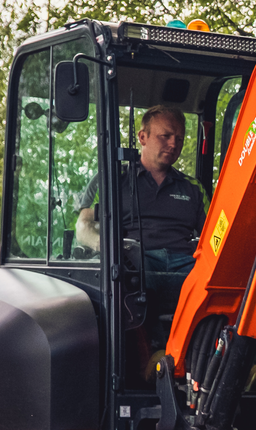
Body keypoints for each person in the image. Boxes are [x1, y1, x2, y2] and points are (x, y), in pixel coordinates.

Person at [76, 104, 206, 293]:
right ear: (142, 137)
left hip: (185, 264)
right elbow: (83, 226)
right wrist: (105, 246)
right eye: (166, 136)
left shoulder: (194, 188)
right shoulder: (111, 180)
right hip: (135, 262)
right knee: (131, 275)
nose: (173, 144)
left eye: (179, 139)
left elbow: (216, 236)